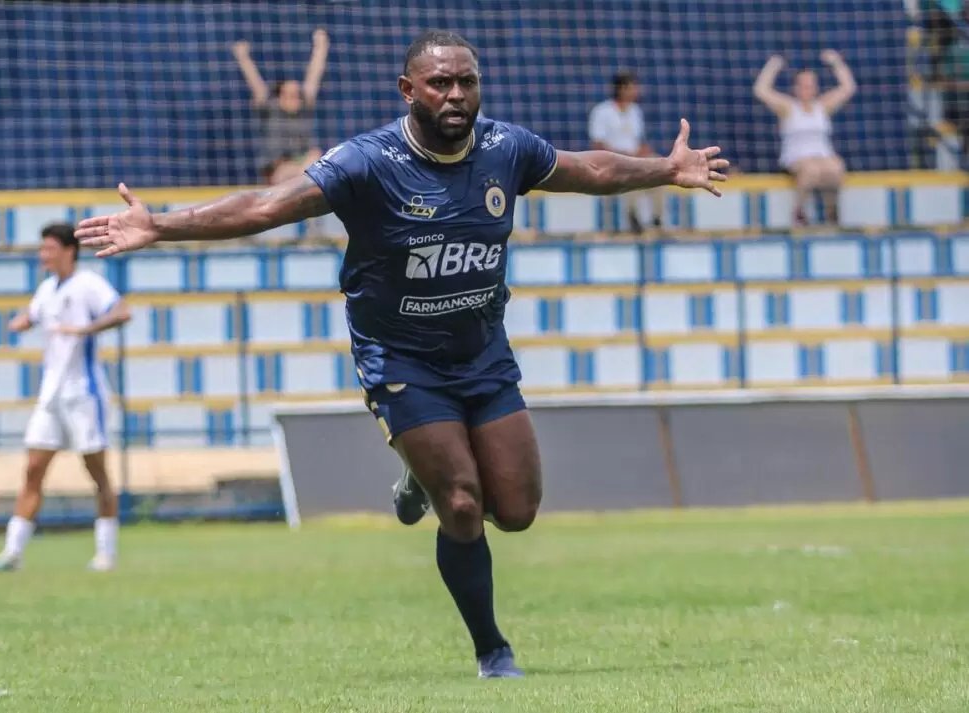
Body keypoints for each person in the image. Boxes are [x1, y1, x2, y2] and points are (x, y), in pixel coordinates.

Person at [77, 30, 727, 677]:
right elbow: (267, 205)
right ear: (408, 90)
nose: (456, 94)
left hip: (482, 355)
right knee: (463, 503)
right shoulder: (368, 162)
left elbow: (592, 169)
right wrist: (162, 224)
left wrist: (668, 169)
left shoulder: (506, 148)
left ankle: (421, 474)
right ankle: (492, 649)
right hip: (400, 360)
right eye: (440, 83)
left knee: (518, 511)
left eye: (466, 82)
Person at [0, 224, 131, 573]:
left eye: (49, 249)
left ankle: (106, 553)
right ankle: (12, 552)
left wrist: (84, 329)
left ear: (69, 251)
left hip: (84, 393)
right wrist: (22, 322)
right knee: (33, 469)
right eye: (42, 249)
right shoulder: (47, 289)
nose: (44, 255)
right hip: (51, 394)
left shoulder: (88, 283)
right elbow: (35, 315)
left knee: (96, 472)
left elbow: (122, 312)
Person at [753, 50, 857, 226]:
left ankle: (832, 211)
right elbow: (761, 91)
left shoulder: (822, 106)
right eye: (803, 85)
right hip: (796, 157)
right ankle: (799, 211)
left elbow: (848, 88)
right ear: (796, 87)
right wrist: (772, 66)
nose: (807, 88)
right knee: (811, 171)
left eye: (811, 85)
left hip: (823, 155)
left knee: (836, 168)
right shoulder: (788, 107)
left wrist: (836, 62)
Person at [232, 29, 330, 185]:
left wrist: (321, 47)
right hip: (278, 169)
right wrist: (243, 57)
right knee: (296, 171)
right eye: (289, 95)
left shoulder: (304, 108)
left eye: (297, 95)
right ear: (279, 97)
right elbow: (255, 83)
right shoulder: (270, 108)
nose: (295, 98)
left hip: (301, 164)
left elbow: (314, 75)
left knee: (315, 155)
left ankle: (304, 183)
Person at [589, 71, 664, 233]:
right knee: (631, 173)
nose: (636, 91)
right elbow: (598, 145)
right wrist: (622, 155)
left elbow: (639, 141)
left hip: (634, 158)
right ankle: (633, 217)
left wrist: (643, 151)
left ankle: (657, 218)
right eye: (632, 87)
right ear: (621, 88)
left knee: (661, 166)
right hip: (612, 160)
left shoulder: (635, 111)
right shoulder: (602, 111)